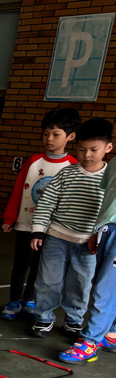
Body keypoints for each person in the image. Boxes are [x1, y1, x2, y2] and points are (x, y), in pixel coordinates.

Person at [27, 117, 113, 338]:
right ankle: (44, 317)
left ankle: (74, 320)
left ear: (108, 148)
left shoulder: (109, 179)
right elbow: (46, 202)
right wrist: (38, 230)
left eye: (93, 150)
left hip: (88, 244)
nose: (87, 155)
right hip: (57, 237)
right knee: (48, 280)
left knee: (81, 284)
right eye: (82, 149)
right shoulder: (66, 173)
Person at [0, 107, 80, 320]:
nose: (49, 139)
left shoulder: (73, 166)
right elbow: (19, 190)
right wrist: (10, 217)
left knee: (39, 267)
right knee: (20, 264)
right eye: (45, 134)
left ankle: (30, 299)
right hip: (26, 223)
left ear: (71, 137)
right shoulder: (34, 161)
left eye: (56, 134)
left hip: (51, 229)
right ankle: (14, 300)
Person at [58, 128, 116, 364]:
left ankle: (90, 341)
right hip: (107, 229)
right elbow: (107, 200)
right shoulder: (114, 164)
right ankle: (111, 333)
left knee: (104, 288)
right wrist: (97, 230)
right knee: (107, 284)